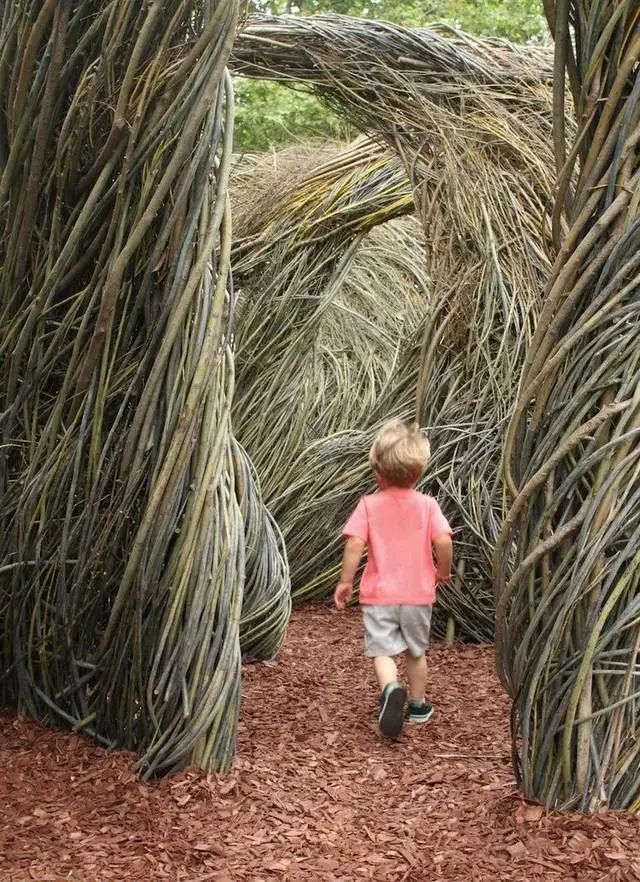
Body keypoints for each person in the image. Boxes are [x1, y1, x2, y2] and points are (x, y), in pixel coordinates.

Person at [334, 419, 453, 738]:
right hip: (417, 595)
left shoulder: (369, 505)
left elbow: (354, 544)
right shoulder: (428, 505)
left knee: (383, 651)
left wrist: (346, 581)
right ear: (418, 471)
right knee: (416, 652)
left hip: (380, 595)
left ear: (377, 472)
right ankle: (417, 705)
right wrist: (443, 570)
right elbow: (443, 541)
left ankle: (390, 689)